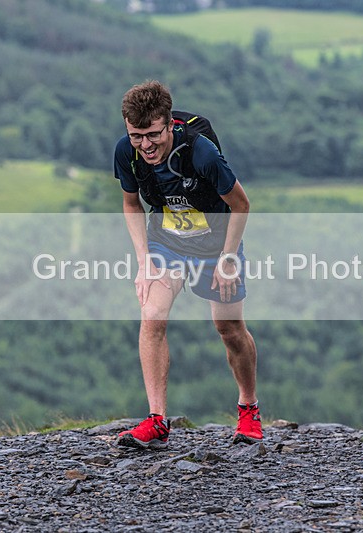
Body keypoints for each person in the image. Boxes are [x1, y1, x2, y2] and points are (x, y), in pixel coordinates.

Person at [112, 80, 261, 449]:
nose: (145, 145)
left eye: (152, 135)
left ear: (169, 124)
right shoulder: (126, 153)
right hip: (167, 242)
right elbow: (132, 204)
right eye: (136, 136)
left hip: (217, 244)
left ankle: (248, 407)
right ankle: (157, 420)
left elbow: (241, 205)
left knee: (228, 327)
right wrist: (143, 261)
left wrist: (228, 259)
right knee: (153, 316)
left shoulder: (201, 152)